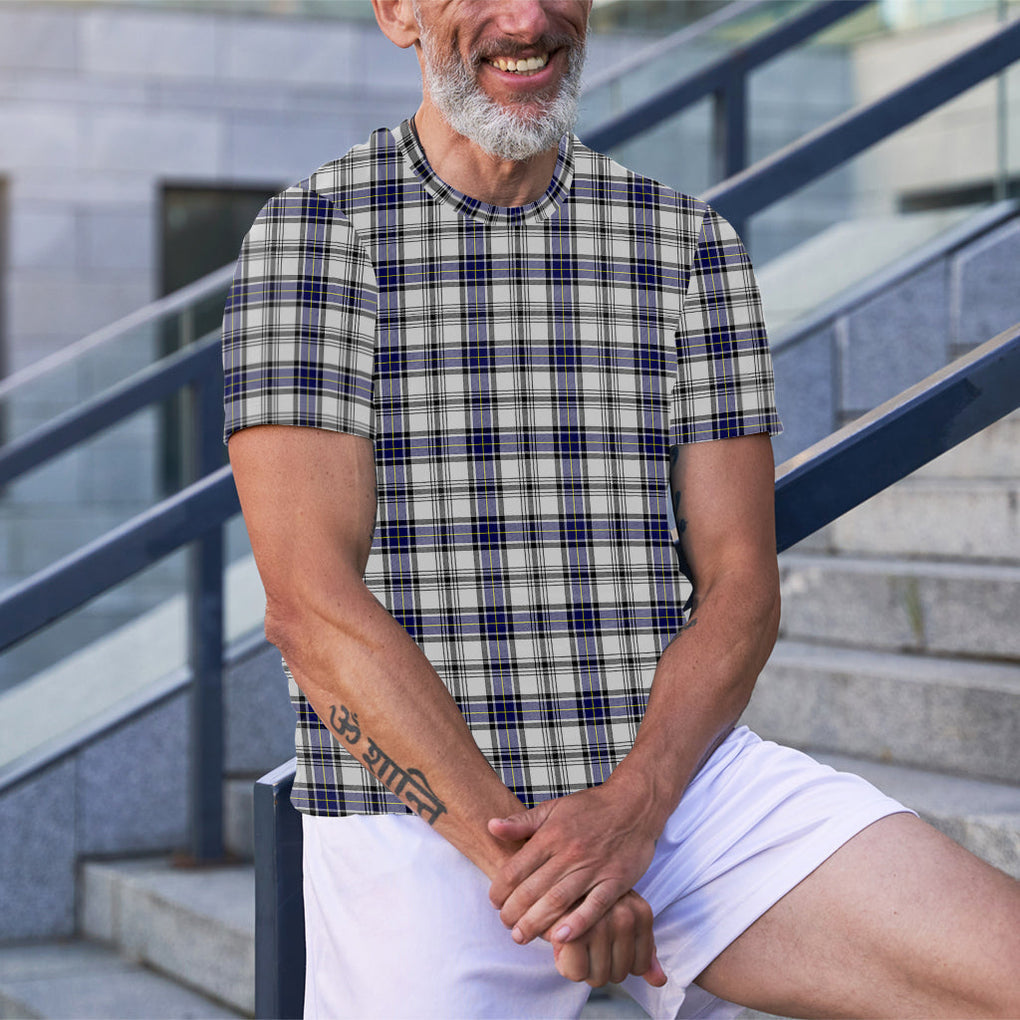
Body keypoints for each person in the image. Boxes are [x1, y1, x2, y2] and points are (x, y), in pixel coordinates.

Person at [223, 2, 1020, 1017]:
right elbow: (310, 609)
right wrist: (546, 874)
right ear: (398, 13)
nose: (527, 18)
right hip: (420, 818)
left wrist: (635, 809)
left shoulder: (687, 243)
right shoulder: (315, 236)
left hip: (674, 791)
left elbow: (740, 586)